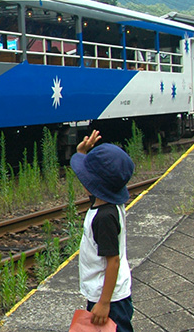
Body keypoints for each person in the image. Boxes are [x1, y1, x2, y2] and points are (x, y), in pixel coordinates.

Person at [71, 130, 134, 332]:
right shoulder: (106, 202)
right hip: (106, 291)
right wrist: (81, 153)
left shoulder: (104, 218)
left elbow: (112, 261)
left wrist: (104, 303)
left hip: (109, 297)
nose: (83, 180)